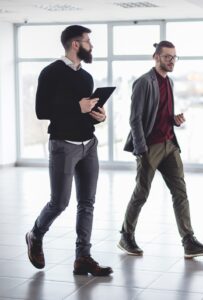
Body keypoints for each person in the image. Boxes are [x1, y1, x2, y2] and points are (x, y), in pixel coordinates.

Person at [25, 25, 113, 276]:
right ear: (75, 44)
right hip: (63, 145)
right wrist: (78, 107)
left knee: (87, 203)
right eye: (88, 42)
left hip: (89, 144)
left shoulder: (86, 77)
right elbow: (42, 111)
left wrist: (98, 116)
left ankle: (83, 257)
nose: (91, 46)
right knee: (59, 202)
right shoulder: (50, 73)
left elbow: (86, 113)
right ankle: (35, 234)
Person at [118, 41, 203, 259]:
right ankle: (126, 235)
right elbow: (135, 119)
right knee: (141, 193)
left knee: (180, 193)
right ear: (156, 57)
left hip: (170, 144)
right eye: (167, 57)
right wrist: (141, 149)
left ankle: (189, 241)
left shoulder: (169, 82)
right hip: (149, 147)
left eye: (174, 57)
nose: (171, 61)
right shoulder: (144, 82)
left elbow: (160, 113)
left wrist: (174, 120)